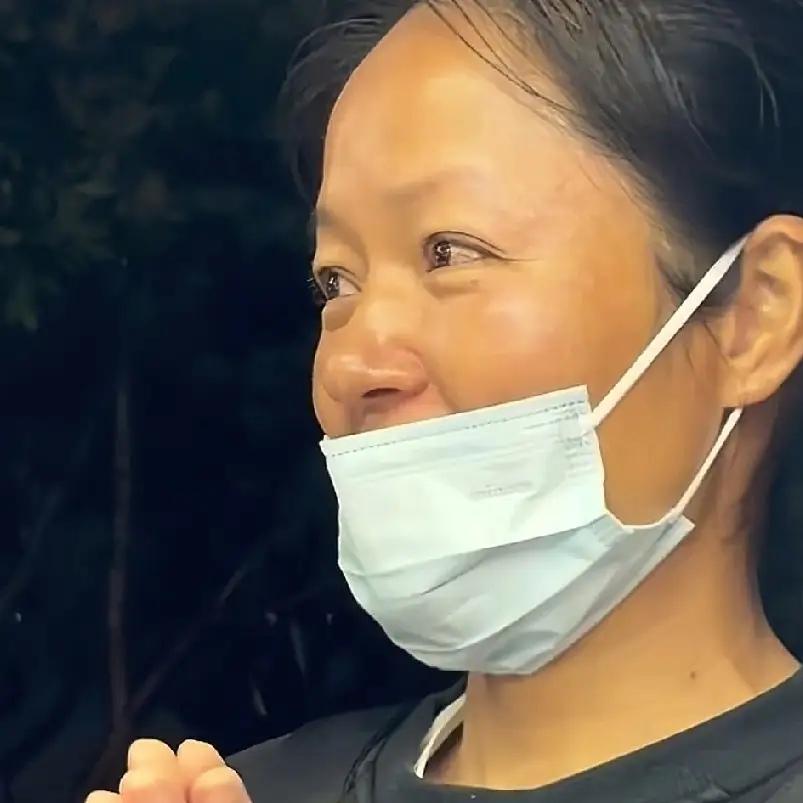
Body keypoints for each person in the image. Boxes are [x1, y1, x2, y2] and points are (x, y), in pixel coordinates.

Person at [86, 1, 803, 801]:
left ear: (755, 315)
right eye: (335, 281)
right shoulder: (250, 787)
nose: (351, 363)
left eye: (450, 252)